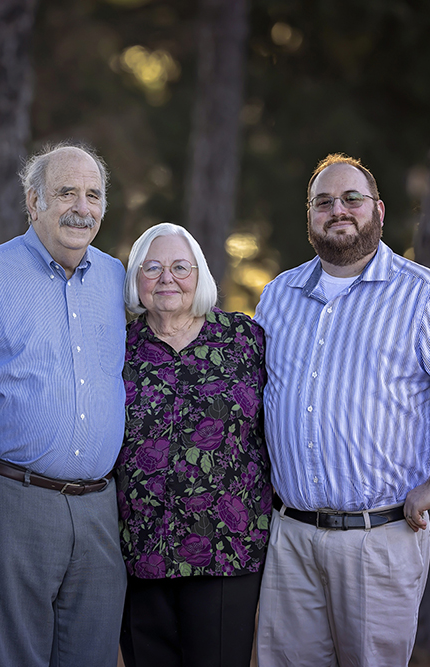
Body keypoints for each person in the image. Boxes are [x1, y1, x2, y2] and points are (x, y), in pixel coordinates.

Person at [252, 154, 430, 666]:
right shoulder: (278, 295)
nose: (337, 210)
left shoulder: (425, 294)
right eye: (323, 202)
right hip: (290, 537)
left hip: (378, 538)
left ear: (379, 211)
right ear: (310, 217)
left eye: (351, 199)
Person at [0, 143, 127, 667]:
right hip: (15, 500)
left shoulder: (118, 281)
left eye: (93, 195)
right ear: (33, 201)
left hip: (100, 509)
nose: (81, 207)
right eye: (66, 192)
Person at [115, 222, 273, 667]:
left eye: (180, 267)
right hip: (139, 551)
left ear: (200, 274)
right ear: (136, 279)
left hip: (227, 553)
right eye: (153, 268)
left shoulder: (244, 340)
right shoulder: (117, 348)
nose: (167, 278)